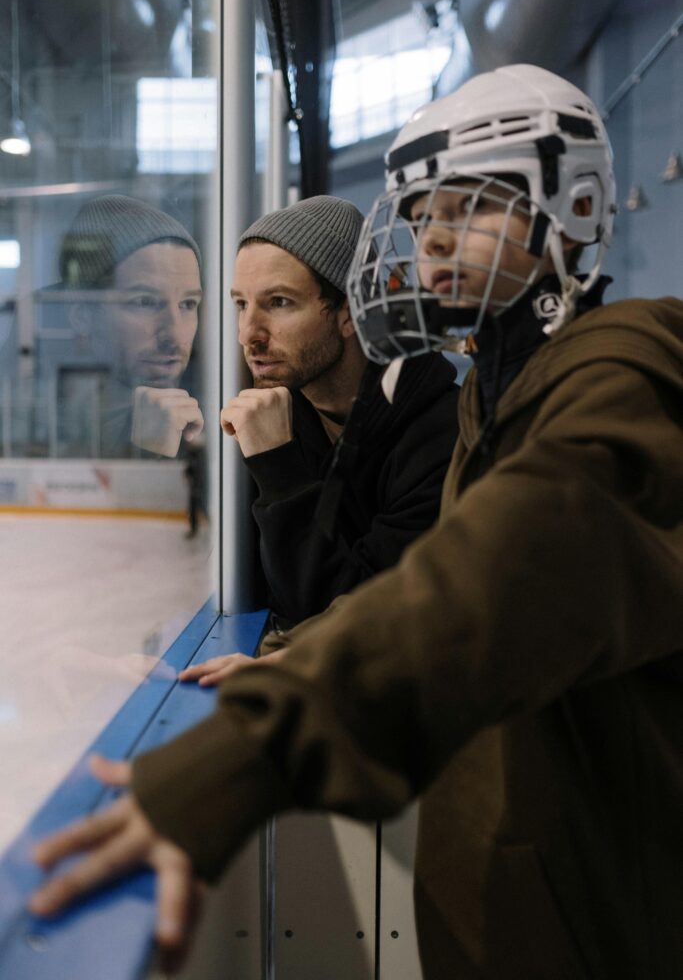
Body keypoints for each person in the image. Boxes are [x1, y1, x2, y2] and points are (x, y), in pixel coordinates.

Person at [30, 65, 683, 980]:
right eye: (423, 218)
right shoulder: (494, 393)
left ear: (569, 206)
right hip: (514, 893)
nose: (436, 242)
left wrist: (239, 758)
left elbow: (489, 584)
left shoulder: (621, 380)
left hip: (606, 913)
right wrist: (292, 646)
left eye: (474, 208)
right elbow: (423, 572)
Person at [214, 196, 459, 627]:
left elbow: (342, 620)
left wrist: (278, 471)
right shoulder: (278, 410)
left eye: (279, 302)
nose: (249, 334)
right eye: (240, 304)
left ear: (351, 312)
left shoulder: (441, 436)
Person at [59, 194, 204, 458]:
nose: (173, 335)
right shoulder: (32, 416)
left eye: (188, 304)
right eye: (145, 302)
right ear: (83, 316)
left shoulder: (217, 418)